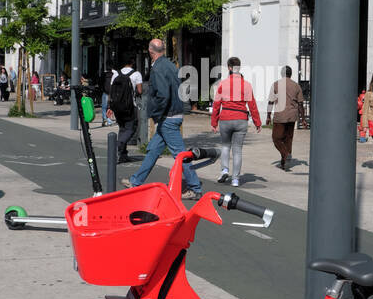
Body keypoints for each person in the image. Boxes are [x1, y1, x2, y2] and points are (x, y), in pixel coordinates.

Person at [125, 38, 201, 198]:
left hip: (168, 118)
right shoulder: (170, 65)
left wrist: (156, 114)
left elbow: (163, 95)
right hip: (173, 115)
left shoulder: (158, 68)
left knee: (180, 155)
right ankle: (135, 181)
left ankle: (195, 188)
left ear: (151, 52)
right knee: (153, 150)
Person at [210, 56, 261, 187]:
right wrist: (257, 122)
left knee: (226, 146)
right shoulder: (247, 85)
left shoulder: (222, 84)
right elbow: (252, 105)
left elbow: (216, 104)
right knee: (237, 150)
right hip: (241, 119)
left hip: (225, 118)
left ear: (229, 68)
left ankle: (224, 170)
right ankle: (235, 179)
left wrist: (214, 122)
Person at [266, 65, 305, 171]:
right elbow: (301, 104)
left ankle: (285, 154)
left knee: (276, 138)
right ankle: (284, 163)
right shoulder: (296, 86)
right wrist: (303, 119)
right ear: (290, 74)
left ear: (282, 74)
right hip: (292, 116)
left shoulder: (276, 85)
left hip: (280, 115)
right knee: (288, 139)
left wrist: (268, 115)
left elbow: (270, 101)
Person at [107, 61, 143, 162]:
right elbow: (140, 91)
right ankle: (118, 145)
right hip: (130, 106)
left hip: (117, 107)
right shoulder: (136, 74)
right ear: (132, 62)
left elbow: (111, 91)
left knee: (122, 128)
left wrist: (110, 106)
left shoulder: (116, 74)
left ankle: (123, 155)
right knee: (131, 128)